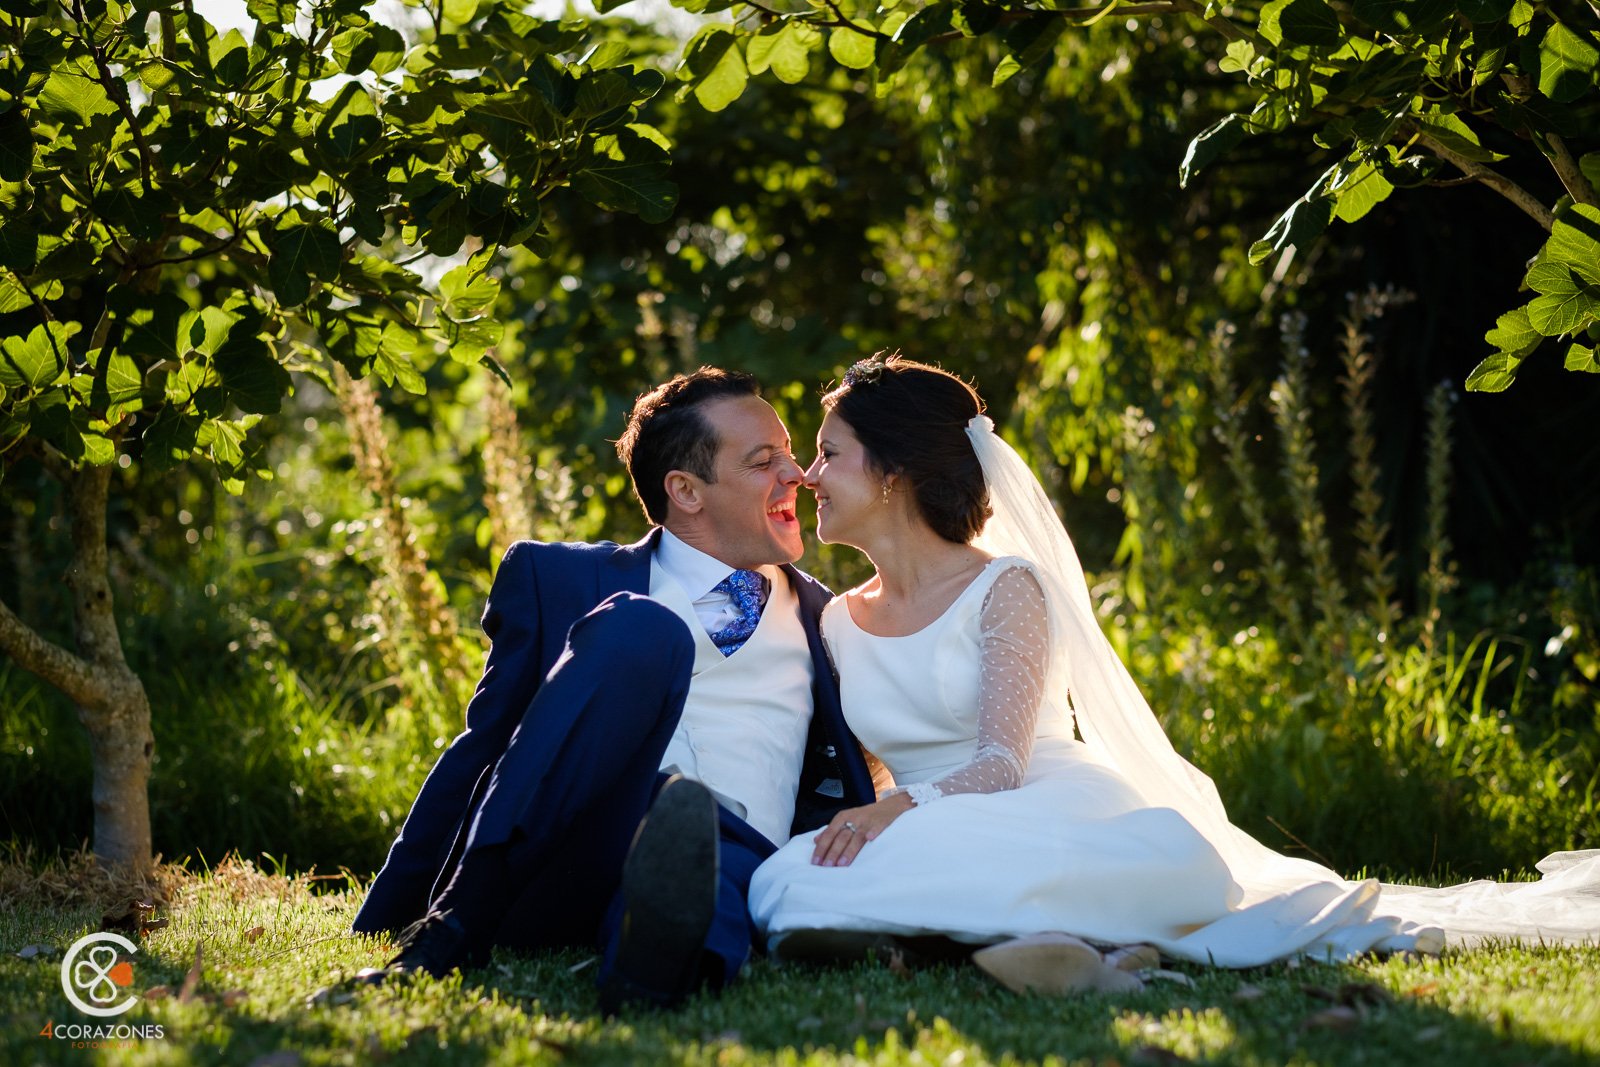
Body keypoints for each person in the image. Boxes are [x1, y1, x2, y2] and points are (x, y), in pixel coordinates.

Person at [749, 354, 1600, 992]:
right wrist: (870, 814)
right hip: (932, 815)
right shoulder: (834, 618)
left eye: (829, 453)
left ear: (893, 471)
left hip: (1030, 797)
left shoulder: (1004, 588)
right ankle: (1014, 945)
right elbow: (886, 763)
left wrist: (895, 808)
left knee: (960, 855)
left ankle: (983, 940)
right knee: (789, 878)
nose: (807, 475)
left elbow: (1000, 766)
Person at [345, 367, 874, 1011]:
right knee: (642, 630)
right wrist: (404, 898)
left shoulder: (837, 621)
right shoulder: (556, 578)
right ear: (685, 490)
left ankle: (650, 971)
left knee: (708, 857)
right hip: (571, 852)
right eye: (764, 461)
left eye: (791, 455)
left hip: (733, 860)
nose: (797, 475)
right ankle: (456, 928)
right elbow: (488, 743)